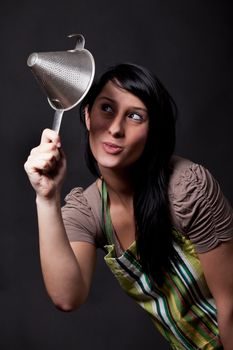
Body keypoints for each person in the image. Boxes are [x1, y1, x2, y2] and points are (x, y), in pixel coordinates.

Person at [24, 63, 233, 349]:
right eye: (106, 109)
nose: (115, 129)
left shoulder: (187, 188)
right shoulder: (87, 210)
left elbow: (230, 305)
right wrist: (46, 197)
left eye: (135, 116)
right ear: (86, 115)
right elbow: (67, 297)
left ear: (152, 131)